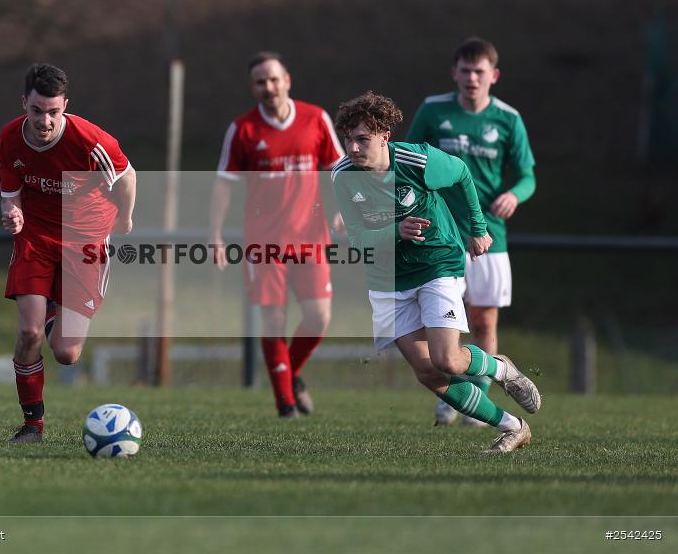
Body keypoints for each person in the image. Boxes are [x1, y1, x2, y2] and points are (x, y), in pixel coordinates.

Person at [331, 91, 540, 453]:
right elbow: (360, 238)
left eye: (362, 139)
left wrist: (477, 228)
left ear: (384, 136)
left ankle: (501, 369)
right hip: (388, 278)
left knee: (448, 360)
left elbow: (462, 173)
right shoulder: (342, 176)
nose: (352, 148)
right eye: (347, 139)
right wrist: (397, 231)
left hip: (436, 262)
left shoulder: (416, 159)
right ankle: (513, 427)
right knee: (428, 372)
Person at [0, 63, 136, 443]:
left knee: (66, 353)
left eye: (53, 112)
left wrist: (125, 218)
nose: (45, 121)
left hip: (86, 237)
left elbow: (127, 176)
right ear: (24, 103)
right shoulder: (8, 140)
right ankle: (33, 425)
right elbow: (10, 198)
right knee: (28, 333)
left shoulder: (89, 141)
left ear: (65, 106)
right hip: (37, 236)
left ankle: (53, 307)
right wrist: (12, 213)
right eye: (37, 111)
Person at [406, 37, 537, 426]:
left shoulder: (508, 119)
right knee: (442, 322)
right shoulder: (433, 110)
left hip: (489, 236)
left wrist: (514, 194)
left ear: (494, 75)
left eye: (480, 71)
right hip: (440, 234)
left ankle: (478, 396)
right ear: (454, 73)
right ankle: (454, 395)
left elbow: (528, 176)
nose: (472, 78)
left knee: (483, 322)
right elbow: (408, 160)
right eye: (465, 71)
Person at [209, 51, 345, 418]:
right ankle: (285, 404)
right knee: (273, 322)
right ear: (252, 88)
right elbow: (223, 184)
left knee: (319, 317)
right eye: (260, 82)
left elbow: (340, 170)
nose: (268, 87)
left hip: (311, 238)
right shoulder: (243, 129)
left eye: (273, 79)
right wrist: (215, 234)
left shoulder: (316, 118)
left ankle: (290, 375)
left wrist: (345, 209)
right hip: (263, 243)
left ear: (287, 80)